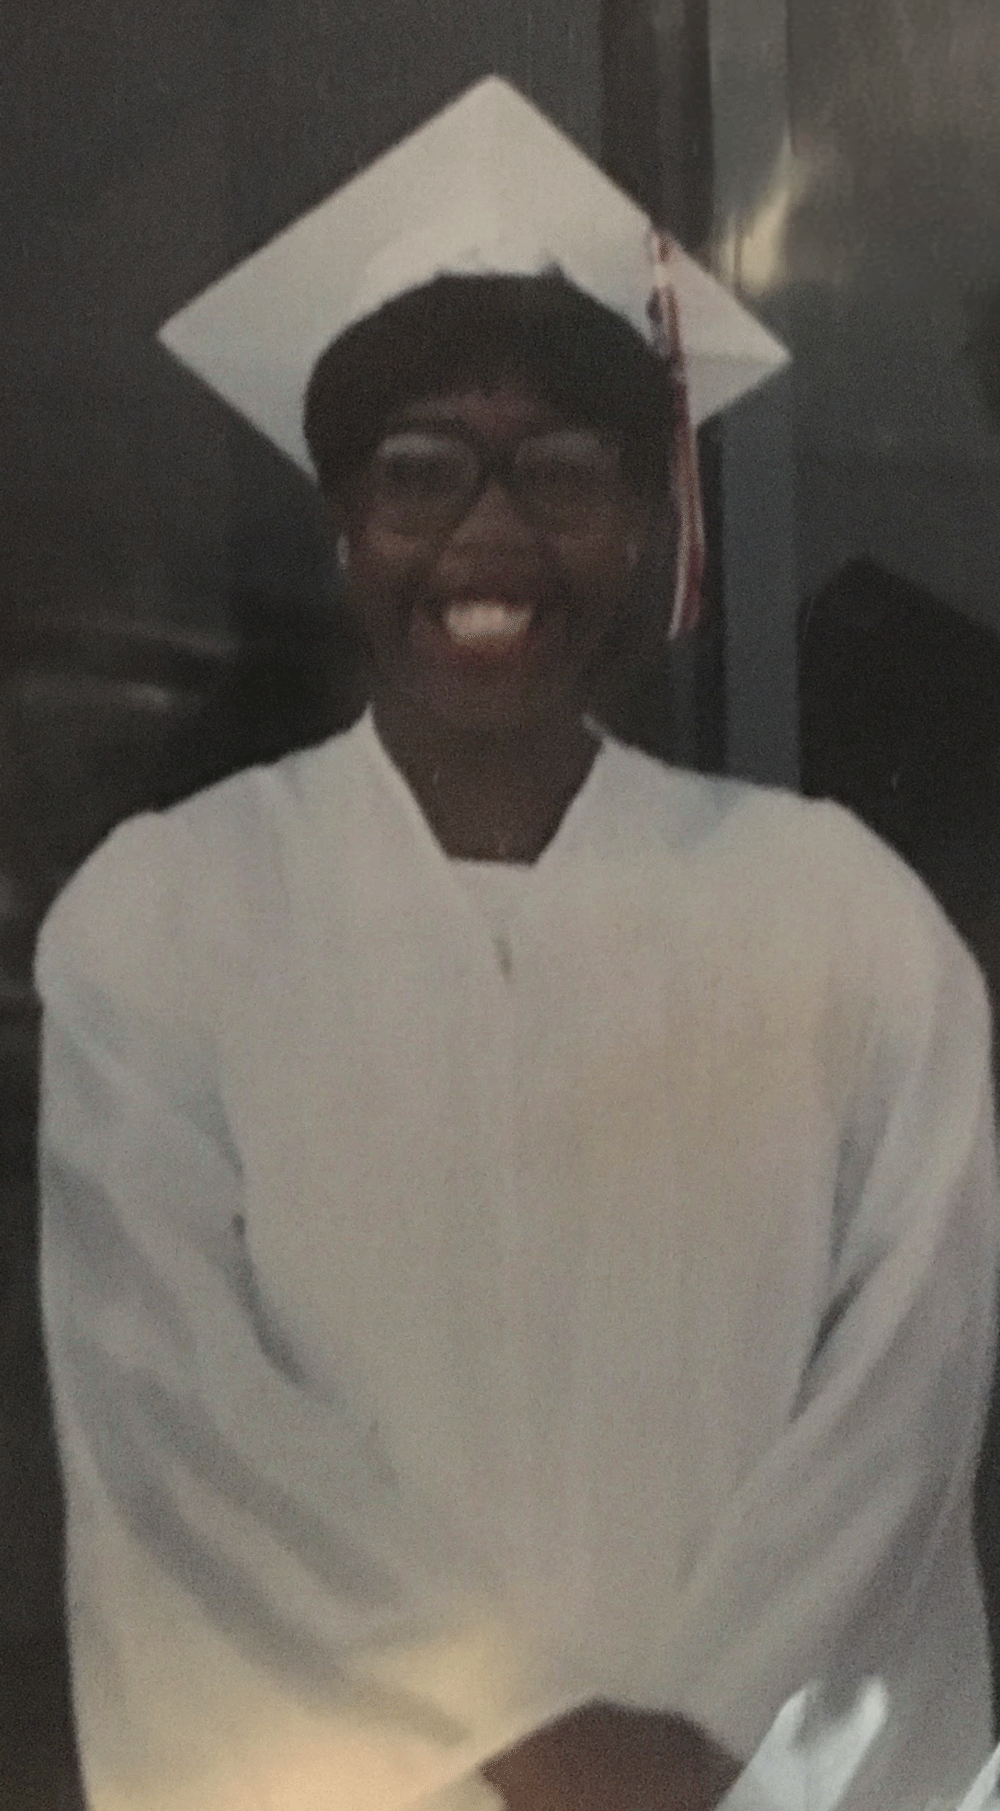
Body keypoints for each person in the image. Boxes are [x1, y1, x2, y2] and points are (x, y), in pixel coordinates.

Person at [35, 77, 999, 1811]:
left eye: (564, 468)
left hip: (760, 1776)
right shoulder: (164, 918)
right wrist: (524, 1732)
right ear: (341, 526)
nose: (490, 534)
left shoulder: (838, 912)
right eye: (419, 470)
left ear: (643, 526)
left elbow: (913, 1371)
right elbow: (177, 1409)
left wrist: (698, 1724)